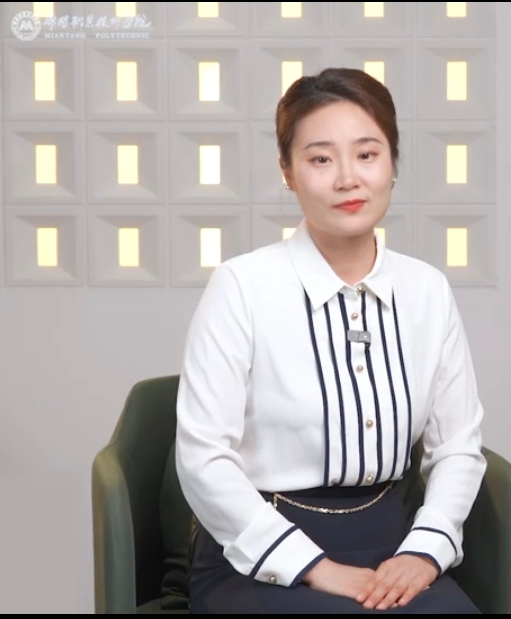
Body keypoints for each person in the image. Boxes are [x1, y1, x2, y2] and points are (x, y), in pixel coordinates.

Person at [174, 67, 487, 614]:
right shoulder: (241, 286)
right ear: (288, 172)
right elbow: (203, 457)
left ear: (392, 163)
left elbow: (458, 446)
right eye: (321, 159)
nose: (348, 179)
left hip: (395, 549)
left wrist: (426, 550)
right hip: (259, 553)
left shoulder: (427, 290)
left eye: (367, 154)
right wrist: (316, 569)